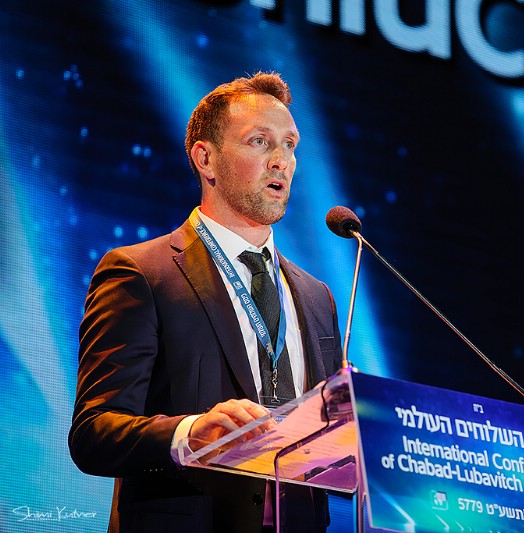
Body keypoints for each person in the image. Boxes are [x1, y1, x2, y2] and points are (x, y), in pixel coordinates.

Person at [69, 71, 343, 533]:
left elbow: (330, 443)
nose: (281, 161)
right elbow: (94, 433)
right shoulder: (142, 272)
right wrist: (190, 434)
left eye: (290, 145)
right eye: (260, 141)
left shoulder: (317, 297)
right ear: (206, 159)